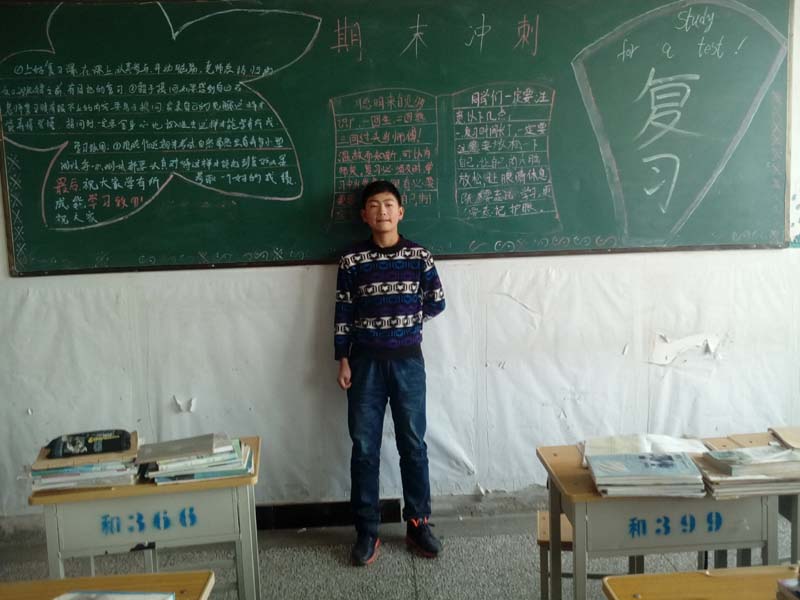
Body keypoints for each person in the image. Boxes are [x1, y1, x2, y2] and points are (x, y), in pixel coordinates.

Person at [334, 180, 446, 566]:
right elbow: (343, 311)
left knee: (412, 444)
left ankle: (418, 523)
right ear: (364, 215)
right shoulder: (352, 260)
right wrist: (342, 358)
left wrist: (406, 322)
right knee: (364, 448)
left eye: (388, 204)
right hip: (363, 363)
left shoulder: (419, 256)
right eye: (373, 206)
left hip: (408, 362)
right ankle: (367, 529)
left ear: (400, 212)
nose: (381, 211)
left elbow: (437, 302)